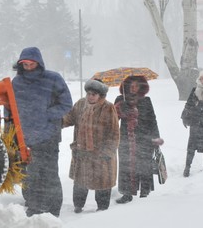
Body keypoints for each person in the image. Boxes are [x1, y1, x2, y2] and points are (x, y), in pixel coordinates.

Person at [12, 46, 72, 217]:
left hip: (49, 136)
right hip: (25, 137)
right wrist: (10, 133)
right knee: (30, 175)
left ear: (39, 63)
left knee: (49, 173)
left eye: (32, 64)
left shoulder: (53, 79)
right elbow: (10, 109)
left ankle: (53, 210)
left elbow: (66, 103)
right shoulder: (16, 83)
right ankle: (34, 208)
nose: (29, 67)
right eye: (25, 64)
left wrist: (47, 114)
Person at [62, 79, 120, 213]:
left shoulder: (108, 107)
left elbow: (114, 132)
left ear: (100, 95)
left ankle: (102, 208)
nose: (90, 96)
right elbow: (69, 118)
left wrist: (107, 152)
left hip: (101, 154)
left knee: (102, 182)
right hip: (82, 152)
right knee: (80, 181)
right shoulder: (80, 104)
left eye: (94, 94)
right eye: (88, 93)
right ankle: (78, 206)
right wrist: (56, 121)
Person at [114, 75, 164, 204]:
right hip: (125, 138)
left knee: (144, 165)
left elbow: (152, 120)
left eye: (136, 85)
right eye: (130, 85)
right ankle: (127, 193)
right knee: (126, 165)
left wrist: (155, 137)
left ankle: (144, 192)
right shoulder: (120, 99)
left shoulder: (146, 101)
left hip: (144, 138)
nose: (133, 88)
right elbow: (113, 119)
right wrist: (120, 109)